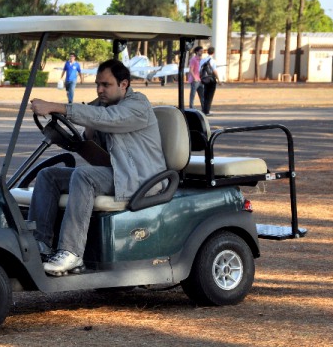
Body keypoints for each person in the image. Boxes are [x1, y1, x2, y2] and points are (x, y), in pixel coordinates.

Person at [28, 59, 167, 276]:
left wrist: (55, 106)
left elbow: (104, 118)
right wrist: (85, 133)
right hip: (120, 173)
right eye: (97, 84)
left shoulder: (138, 106)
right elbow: (90, 117)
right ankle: (41, 245)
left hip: (142, 178)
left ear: (124, 84)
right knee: (48, 175)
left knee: (84, 176)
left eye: (106, 85)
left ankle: (71, 252)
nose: (100, 89)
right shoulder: (104, 103)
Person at [199, 46, 220, 116]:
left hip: (204, 79)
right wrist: (219, 80)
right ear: (213, 53)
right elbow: (214, 71)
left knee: (205, 94)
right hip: (211, 79)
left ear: (207, 52)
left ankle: (204, 109)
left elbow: (200, 70)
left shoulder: (203, 60)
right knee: (210, 96)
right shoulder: (213, 61)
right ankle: (207, 110)